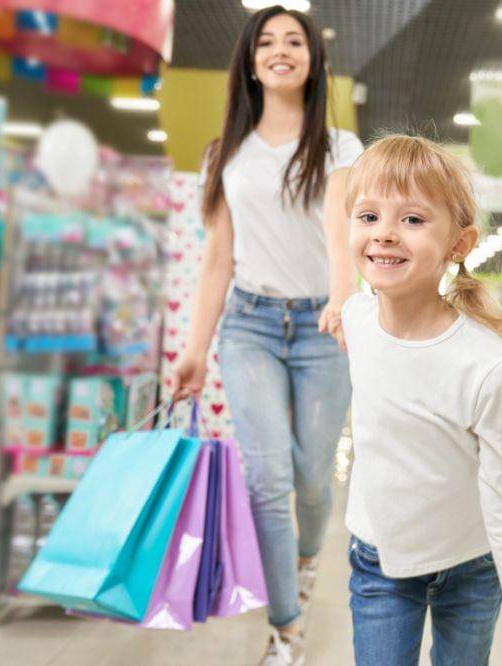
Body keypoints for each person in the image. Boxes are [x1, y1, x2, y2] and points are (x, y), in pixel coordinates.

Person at [338, 135, 502, 666]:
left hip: (471, 568)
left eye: (412, 219)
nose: (384, 232)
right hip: (380, 561)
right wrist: (331, 314)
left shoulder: (486, 366)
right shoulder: (357, 319)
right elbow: (349, 320)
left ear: (459, 243)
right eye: (367, 216)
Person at [170, 5, 362, 665]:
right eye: (268, 42)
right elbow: (218, 256)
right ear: (250, 62)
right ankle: (286, 629)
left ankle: (306, 559)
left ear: (313, 60)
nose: (281, 50)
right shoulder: (225, 153)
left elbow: (340, 233)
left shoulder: (341, 148)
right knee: (266, 476)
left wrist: (343, 300)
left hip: (320, 328)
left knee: (313, 475)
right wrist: (194, 347)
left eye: (294, 41)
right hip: (249, 325)